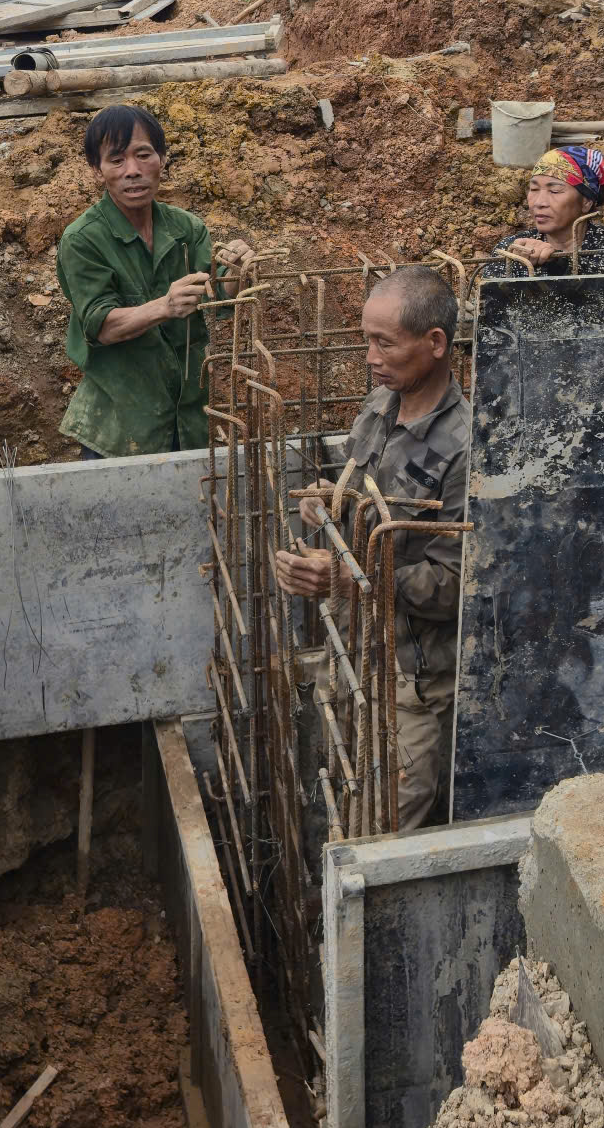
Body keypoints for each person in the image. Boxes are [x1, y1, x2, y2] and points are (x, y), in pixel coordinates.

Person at [271, 266, 468, 831]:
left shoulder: (464, 449)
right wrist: (333, 502)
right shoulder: (381, 403)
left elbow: (455, 585)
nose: (370, 357)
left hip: (414, 683)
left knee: (377, 843)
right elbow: (375, 501)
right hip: (358, 653)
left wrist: (343, 576)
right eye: (366, 340)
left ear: (434, 344)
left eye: (384, 343)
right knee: (344, 800)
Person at [55, 105, 252, 457]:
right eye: (116, 160)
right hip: (120, 427)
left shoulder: (186, 229)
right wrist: (165, 306)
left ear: (161, 159)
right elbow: (103, 326)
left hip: (187, 418)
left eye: (143, 154)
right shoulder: (83, 239)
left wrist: (235, 273)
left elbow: (216, 296)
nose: (132, 170)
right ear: (97, 170)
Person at [480, 145, 604, 279]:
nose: (539, 202)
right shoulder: (515, 248)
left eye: (555, 191)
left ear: (586, 202)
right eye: (534, 189)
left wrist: (557, 262)